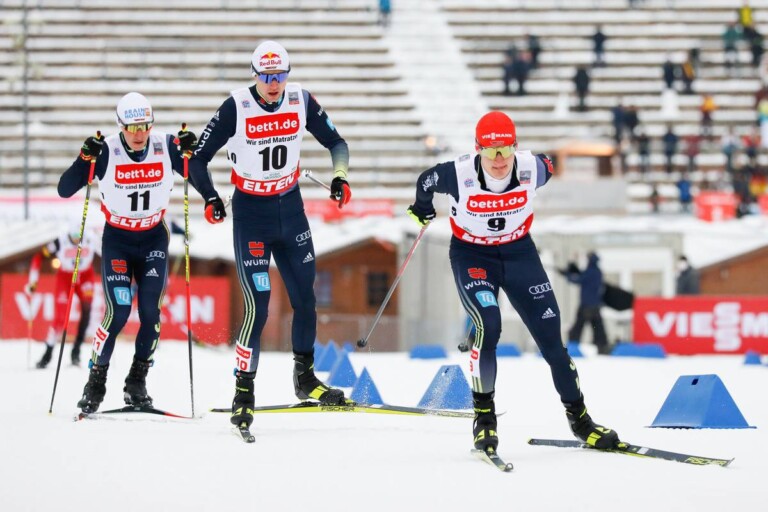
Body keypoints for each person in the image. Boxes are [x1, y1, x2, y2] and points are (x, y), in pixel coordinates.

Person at [406, 111, 620, 455]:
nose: (499, 160)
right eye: (490, 152)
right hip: (474, 256)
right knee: (489, 325)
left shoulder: (533, 168)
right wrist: (422, 208)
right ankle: (484, 418)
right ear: (478, 150)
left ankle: (581, 421)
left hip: (519, 254)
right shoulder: (457, 174)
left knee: (553, 342)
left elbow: (552, 164)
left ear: (515, 147)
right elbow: (425, 182)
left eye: (505, 150)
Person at [189, 40, 353, 432]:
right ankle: (243, 391)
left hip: (290, 211)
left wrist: (340, 176)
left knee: (305, 301)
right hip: (252, 214)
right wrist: (210, 197)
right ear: (255, 76)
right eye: (267, 77)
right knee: (258, 306)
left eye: (280, 75)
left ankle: (305, 379)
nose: (274, 84)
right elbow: (197, 157)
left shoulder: (300, 99)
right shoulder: (237, 106)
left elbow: (337, 142)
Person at [58, 92, 226, 414]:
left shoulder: (165, 145)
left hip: (153, 239)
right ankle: (95, 382)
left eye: (145, 125)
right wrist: (84, 159)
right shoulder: (107, 150)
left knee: (150, 311)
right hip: (118, 239)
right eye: (132, 126)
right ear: (120, 125)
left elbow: (197, 170)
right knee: (118, 311)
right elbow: (65, 189)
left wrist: (210, 195)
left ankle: (137, 382)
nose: (139, 134)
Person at [26, 224, 98, 368]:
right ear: (69, 235)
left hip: (85, 276)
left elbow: (109, 252)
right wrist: (33, 281)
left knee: (87, 309)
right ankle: (48, 354)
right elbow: (38, 257)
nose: (77, 240)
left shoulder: (91, 239)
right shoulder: (60, 241)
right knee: (60, 318)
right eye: (74, 237)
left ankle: (76, 352)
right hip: (65, 276)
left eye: (80, 237)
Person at [563, 252, 610, 355]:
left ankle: (572, 348)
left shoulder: (589, 272)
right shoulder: (598, 272)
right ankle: (603, 348)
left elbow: (577, 279)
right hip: (596, 307)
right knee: (598, 330)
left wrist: (567, 274)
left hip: (585, 307)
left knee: (577, 328)